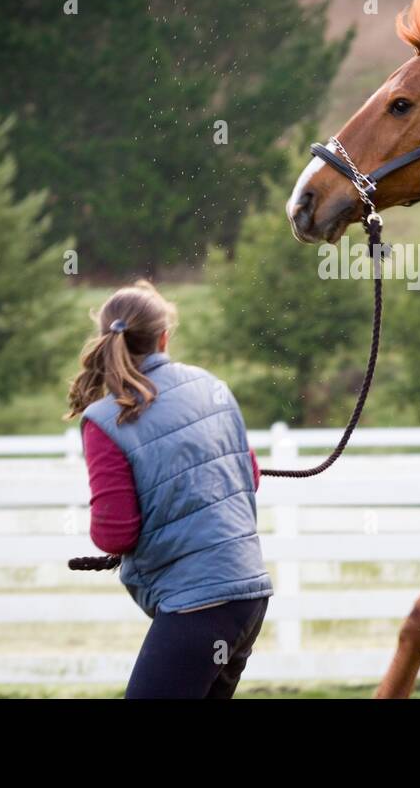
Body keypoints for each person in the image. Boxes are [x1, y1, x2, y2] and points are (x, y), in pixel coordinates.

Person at [65, 281, 272, 698]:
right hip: (247, 594)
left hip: (197, 605)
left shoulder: (105, 419)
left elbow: (115, 534)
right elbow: (249, 476)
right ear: (164, 336)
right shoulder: (211, 385)